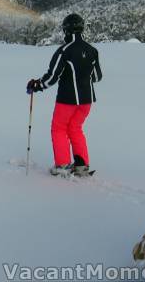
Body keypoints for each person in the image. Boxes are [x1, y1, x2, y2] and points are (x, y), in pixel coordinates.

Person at [26, 14, 102, 177]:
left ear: (66, 30)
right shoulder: (92, 51)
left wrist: (36, 85)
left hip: (67, 99)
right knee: (75, 128)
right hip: (86, 101)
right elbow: (97, 77)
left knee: (58, 129)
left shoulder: (64, 51)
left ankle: (62, 165)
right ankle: (82, 166)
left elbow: (52, 77)